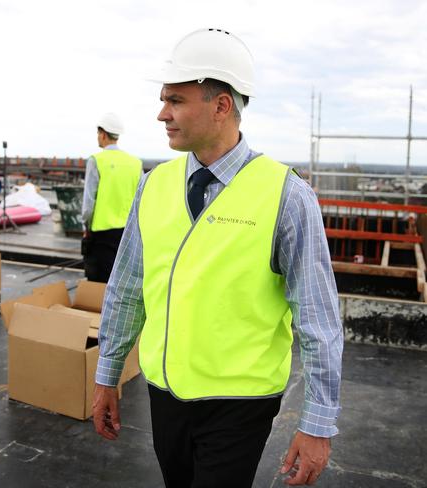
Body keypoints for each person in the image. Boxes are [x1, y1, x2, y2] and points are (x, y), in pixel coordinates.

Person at [93, 28, 343, 487]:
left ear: (222, 105)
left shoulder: (286, 196)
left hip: (239, 401)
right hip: (164, 392)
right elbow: (127, 288)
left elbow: (318, 318)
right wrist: (107, 375)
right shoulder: (154, 185)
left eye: (176, 101)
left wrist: (318, 423)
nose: (161, 113)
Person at [81, 113, 143, 283]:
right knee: (122, 281)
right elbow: (141, 198)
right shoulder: (135, 163)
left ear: (103, 133)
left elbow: (89, 202)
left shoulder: (96, 160)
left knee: (99, 282)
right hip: (127, 232)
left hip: (101, 233)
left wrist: (85, 226)